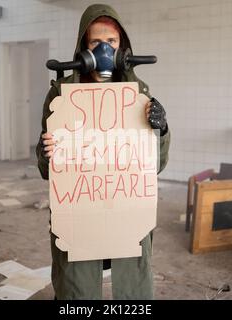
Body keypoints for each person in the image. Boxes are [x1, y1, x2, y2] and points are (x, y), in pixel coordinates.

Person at [36, 4, 170, 300]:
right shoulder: (61, 94)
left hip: (125, 208)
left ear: (123, 48)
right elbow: (46, 170)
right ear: (82, 47)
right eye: (96, 42)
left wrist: (160, 130)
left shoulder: (138, 95)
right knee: (77, 289)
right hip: (78, 209)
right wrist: (47, 152)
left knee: (132, 287)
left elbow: (156, 164)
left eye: (111, 42)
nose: (104, 50)